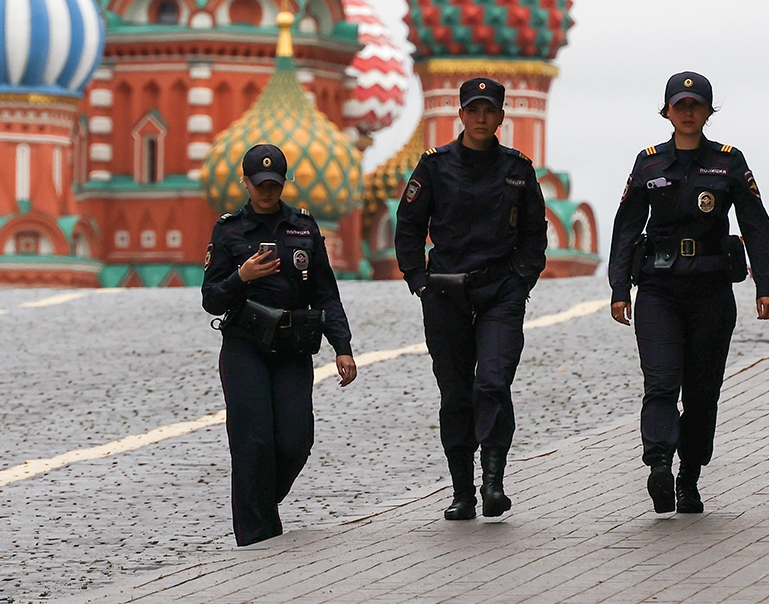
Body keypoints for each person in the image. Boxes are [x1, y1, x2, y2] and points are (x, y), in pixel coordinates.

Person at [607, 71, 769, 515]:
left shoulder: (728, 161)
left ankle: (690, 476)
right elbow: (627, 227)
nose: (687, 112)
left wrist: (766, 284)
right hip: (660, 290)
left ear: (707, 111)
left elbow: (755, 224)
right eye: (679, 105)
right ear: (666, 111)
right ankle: (660, 465)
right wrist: (619, 288)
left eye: (695, 105)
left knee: (702, 392)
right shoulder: (648, 163)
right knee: (661, 382)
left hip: (710, 291)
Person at [395, 77, 548, 521]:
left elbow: (534, 232)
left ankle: (494, 482)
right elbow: (408, 226)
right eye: (473, 110)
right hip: (445, 292)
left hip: (500, 290)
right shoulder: (434, 166)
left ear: (502, 117)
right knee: (456, 394)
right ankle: (463, 491)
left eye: (490, 111)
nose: (481, 118)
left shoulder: (518, 169)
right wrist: (418, 281)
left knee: (493, 382)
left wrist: (521, 281)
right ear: (460, 115)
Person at [201, 143, 358, 545]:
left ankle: (259, 508)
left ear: (283, 183)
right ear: (246, 183)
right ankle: (256, 539)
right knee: (252, 443)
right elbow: (211, 298)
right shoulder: (229, 229)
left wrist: (342, 346)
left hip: (291, 345)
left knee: (295, 440)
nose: (266, 191)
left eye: (273, 184)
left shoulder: (303, 228)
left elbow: (325, 292)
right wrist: (242, 276)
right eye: (259, 184)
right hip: (244, 345)